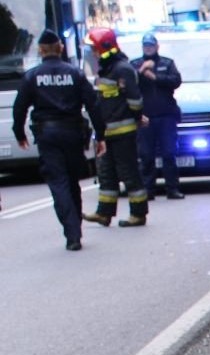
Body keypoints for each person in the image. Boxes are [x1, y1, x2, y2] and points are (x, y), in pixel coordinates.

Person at [10, 29, 108, 250]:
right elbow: (93, 105)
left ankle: (72, 233)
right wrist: (100, 135)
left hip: (47, 136)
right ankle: (76, 229)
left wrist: (19, 134)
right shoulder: (74, 73)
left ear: (41, 50)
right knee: (72, 182)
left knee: (58, 182)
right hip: (73, 134)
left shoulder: (32, 76)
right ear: (61, 48)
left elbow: (20, 108)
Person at [80, 27, 148, 228]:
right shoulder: (107, 68)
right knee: (106, 173)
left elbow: (135, 100)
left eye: (95, 48)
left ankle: (138, 213)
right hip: (107, 132)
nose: (93, 53)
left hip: (123, 131)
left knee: (128, 172)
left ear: (105, 47)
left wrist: (136, 117)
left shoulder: (122, 69)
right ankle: (104, 212)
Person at [135, 32, 184, 201]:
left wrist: (155, 77)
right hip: (145, 117)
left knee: (169, 153)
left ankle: (173, 189)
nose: (148, 48)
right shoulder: (135, 64)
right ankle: (148, 190)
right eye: (145, 46)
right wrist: (142, 71)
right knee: (146, 155)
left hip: (166, 116)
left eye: (151, 45)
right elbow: (129, 83)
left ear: (157, 46)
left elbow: (176, 80)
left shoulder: (167, 63)